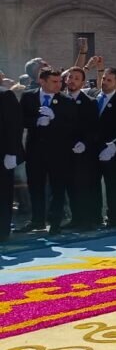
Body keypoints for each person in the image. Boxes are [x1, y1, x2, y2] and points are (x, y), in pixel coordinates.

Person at [19, 67, 75, 234]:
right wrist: (36, 121)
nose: (59, 85)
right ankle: (37, 220)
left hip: (58, 153)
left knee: (57, 188)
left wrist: (54, 118)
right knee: (35, 186)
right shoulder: (28, 97)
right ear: (42, 81)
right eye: (54, 81)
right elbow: (21, 119)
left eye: (60, 81)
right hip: (35, 150)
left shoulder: (66, 101)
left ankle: (55, 221)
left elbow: (71, 126)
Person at [64, 66, 101, 231]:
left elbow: (93, 127)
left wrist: (85, 142)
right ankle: (76, 218)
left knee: (84, 186)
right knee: (70, 186)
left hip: (84, 153)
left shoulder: (89, 102)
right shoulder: (61, 99)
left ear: (83, 82)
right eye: (70, 77)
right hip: (65, 151)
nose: (72, 81)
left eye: (76, 78)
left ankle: (88, 219)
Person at [93, 67, 116, 228]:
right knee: (91, 185)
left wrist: (114, 146)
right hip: (92, 150)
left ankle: (114, 217)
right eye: (103, 79)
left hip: (112, 152)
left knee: (114, 186)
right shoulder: (91, 99)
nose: (105, 83)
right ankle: (94, 216)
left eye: (109, 80)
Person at [0, 75, 23, 243]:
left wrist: (13, 152)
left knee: (3, 194)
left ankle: (2, 230)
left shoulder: (5, 95)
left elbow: (15, 126)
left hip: (3, 155)